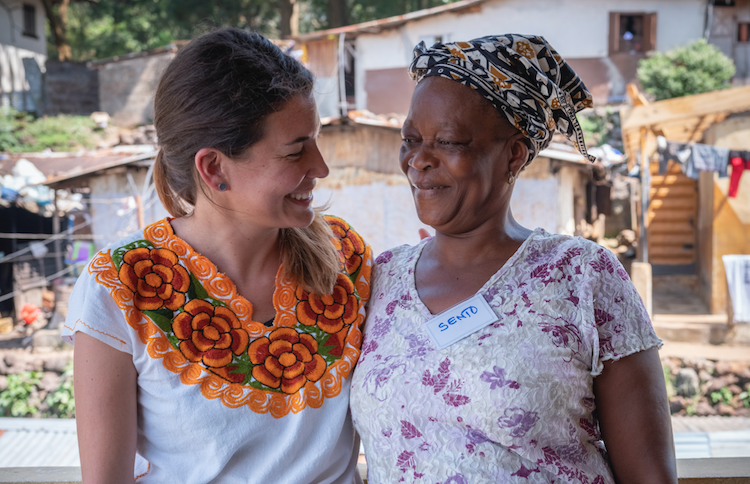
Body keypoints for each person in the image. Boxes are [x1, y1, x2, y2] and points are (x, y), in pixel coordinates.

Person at [350, 35, 676, 484]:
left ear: (514, 154)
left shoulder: (581, 276)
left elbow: (649, 475)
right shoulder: (379, 279)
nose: (418, 160)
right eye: (410, 139)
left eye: (447, 141)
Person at [63, 28, 372, 483]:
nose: (320, 167)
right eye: (295, 151)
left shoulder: (346, 258)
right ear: (214, 168)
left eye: (315, 139)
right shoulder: (121, 286)